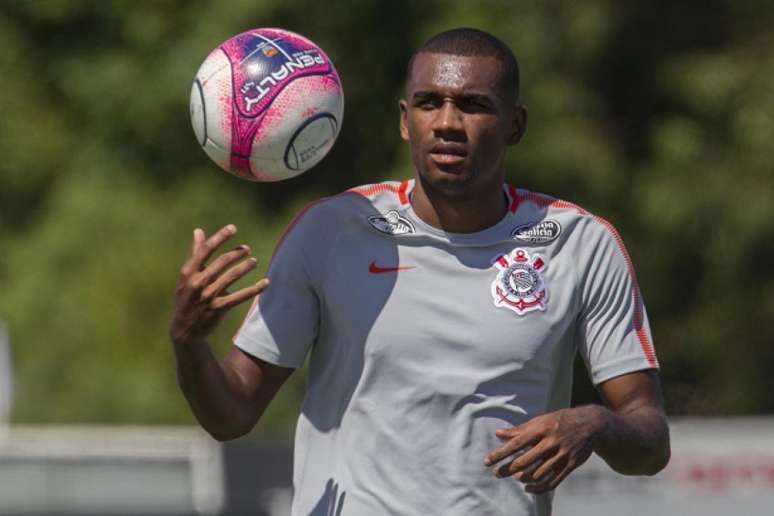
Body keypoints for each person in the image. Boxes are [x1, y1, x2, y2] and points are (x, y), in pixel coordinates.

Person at [170, 27, 670, 516]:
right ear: (405, 121)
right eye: (429, 102)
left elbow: (650, 438)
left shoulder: (580, 243)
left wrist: (595, 423)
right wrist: (189, 341)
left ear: (515, 125)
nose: (448, 122)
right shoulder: (329, 231)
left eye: (473, 105)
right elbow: (231, 414)